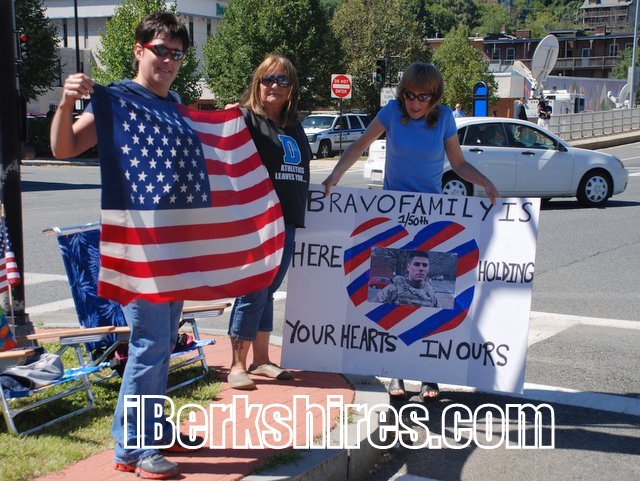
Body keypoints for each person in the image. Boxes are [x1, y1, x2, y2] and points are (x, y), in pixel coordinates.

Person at [50, 13, 201, 479]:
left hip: (173, 243)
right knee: (150, 343)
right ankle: (137, 447)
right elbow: (64, 148)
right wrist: (66, 103)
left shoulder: (176, 103)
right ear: (139, 50)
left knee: (163, 341)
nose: (169, 60)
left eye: (177, 53)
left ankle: (142, 430)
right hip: (137, 244)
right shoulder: (117, 100)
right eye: (161, 50)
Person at [322, 62, 498, 401]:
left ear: (435, 97)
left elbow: (458, 163)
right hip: (392, 218)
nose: (415, 103)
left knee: (433, 300)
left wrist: (485, 182)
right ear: (402, 94)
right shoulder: (391, 112)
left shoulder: (444, 118)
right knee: (392, 298)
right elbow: (359, 145)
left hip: (432, 219)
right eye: (410, 96)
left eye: (424, 97)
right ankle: (395, 374)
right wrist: (335, 176)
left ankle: (429, 376)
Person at [226, 54, 310, 391]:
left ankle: (261, 359)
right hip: (257, 220)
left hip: (287, 219)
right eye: (268, 79)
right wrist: (227, 119)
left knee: (268, 290)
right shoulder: (245, 118)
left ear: (292, 88)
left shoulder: (293, 125)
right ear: (257, 83)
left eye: (282, 80)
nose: (274, 85)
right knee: (253, 289)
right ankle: (237, 364)